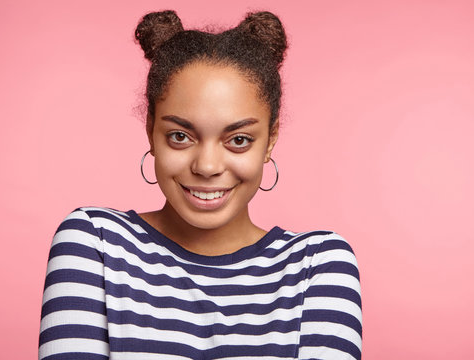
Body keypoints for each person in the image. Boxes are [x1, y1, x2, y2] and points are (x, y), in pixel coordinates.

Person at [39, 10, 362, 360]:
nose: (207, 166)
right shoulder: (96, 242)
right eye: (180, 136)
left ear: (270, 140)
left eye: (238, 140)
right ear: (151, 132)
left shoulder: (317, 265)